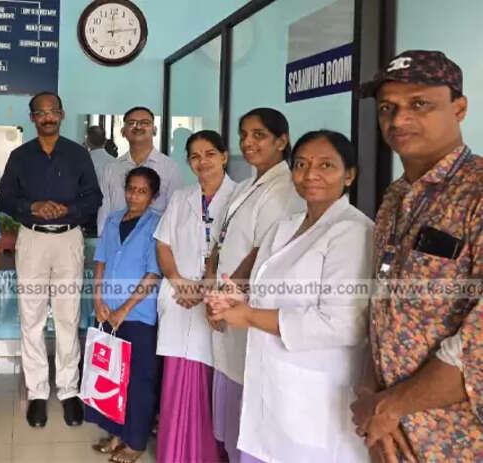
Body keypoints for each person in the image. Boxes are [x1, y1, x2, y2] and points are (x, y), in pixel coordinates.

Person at [350, 50, 483, 461]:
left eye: (419, 104)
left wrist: (394, 405)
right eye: (388, 107)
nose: (398, 119)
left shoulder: (476, 193)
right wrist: (372, 395)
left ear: (459, 108)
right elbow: (383, 304)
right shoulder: (394, 197)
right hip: (390, 435)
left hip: (456, 439)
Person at [209, 130, 371, 462]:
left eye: (326, 165)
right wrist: (232, 301)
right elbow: (265, 291)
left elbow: (344, 325)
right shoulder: (285, 227)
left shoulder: (354, 232)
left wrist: (250, 317)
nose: (311, 174)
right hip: (271, 385)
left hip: (316, 395)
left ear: (349, 175)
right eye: (301, 164)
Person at [0, 91, 102, 428]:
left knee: (69, 316)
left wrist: (66, 210)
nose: (47, 117)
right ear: (32, 118)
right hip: (32, 239)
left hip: (69, 238)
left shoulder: (77, 155)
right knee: (32, 317)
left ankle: (69, 390)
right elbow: (4, 199)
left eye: (53, 111)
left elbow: (94, 198)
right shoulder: (20, 156)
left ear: (61, 114)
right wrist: (33, 208)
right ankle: (38, 392)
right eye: (40, 113)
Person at [207, 108, 305, 462]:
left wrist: (224, 299)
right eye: (244, 134)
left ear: (282, 141)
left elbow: (261, 253)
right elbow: (225, 239)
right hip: (228, 302)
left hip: (246, 308)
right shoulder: (249, 185)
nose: (248, 142)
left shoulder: (285, 190)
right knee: (231, 393)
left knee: (247, 400)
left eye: (259, 135)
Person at [154, 130, 237, 463]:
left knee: (213, 380)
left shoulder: (239, 197)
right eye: (195, 156)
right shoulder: (181, 197)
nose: (202, 162)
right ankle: (174, 453)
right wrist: (177, 281)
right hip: (179, 297)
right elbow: (163, 243)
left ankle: (207, 455)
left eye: (210, 154)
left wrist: (203, 289)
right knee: (176, 379)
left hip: (216, 300)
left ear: (224, 156)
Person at [87, 167, 162, 463]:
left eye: (142, 191)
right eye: (131, 188)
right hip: (107, 312)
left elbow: (153, 273)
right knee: (109, 377)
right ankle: (115, 432)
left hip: (137, 315)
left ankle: (135, 441)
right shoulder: (114, 219)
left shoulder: (156, 225)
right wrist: (97, 301)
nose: (134, 195)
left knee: (139, 381)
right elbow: (101, 262)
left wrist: (124, 309)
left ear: (153, 195)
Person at [97, 107, 184, 236]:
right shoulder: (111, 168)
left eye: (145, 123)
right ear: (123, 131)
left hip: (154, 243)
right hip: (117, 241)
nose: (138, 127)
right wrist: (103, 244)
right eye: (131, 123)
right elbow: (104, 210)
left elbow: (175, 213)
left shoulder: (170, 168)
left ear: (154, 130)